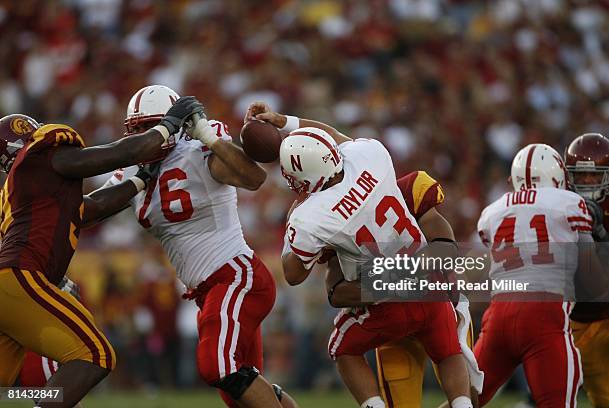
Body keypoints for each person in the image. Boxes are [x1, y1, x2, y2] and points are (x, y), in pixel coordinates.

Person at [246, 102, 474, 408]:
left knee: (341, 348)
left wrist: (294, 213)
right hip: (427, 277)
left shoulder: (311, 215)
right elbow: (333, 135)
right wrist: (284, 121)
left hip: (384, 293)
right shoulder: (371, 155)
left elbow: (293, 273)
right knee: (448, 352)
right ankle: (463, 404)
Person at [94, 85, 297, 408]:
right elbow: (91, 210)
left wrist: (206, 135)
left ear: (174, 125)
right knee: (238, 392)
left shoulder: (196, 148)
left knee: (217, 366)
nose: (143, 136)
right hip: (207, 292)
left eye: (149, 127)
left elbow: (253, 178)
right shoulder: (133, 167)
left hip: (235, 276)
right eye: (137, 129)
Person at [0, 96, 202, 408]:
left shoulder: (28, 187)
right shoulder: (39, 157)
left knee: (9, 388)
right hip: (19, 277)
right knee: (96, 355)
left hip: (13, 283)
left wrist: (141, 179)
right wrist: (168, 126)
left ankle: (37, 402)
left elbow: (90, 209)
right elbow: (115, 154)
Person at [326, 171, 483, 408]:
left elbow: (446, 251)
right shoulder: (340, 217)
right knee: (458, 389)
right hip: (425, 305)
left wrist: (388, 281)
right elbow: (335, 292)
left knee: (465, 391)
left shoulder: (403, 193)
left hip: (401, 310)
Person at [475, 143, 609, 407]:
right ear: (559, 176)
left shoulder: (491, 212)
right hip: (544, 316)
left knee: (464, 398)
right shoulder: (571, 204)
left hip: (498, 316)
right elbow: (594, 285)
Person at [565, 133, 609, 408]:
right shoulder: (560, 205)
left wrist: (601, 232)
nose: (588, 182)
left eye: (594, 176)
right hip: (579, 319)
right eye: (581, 176)